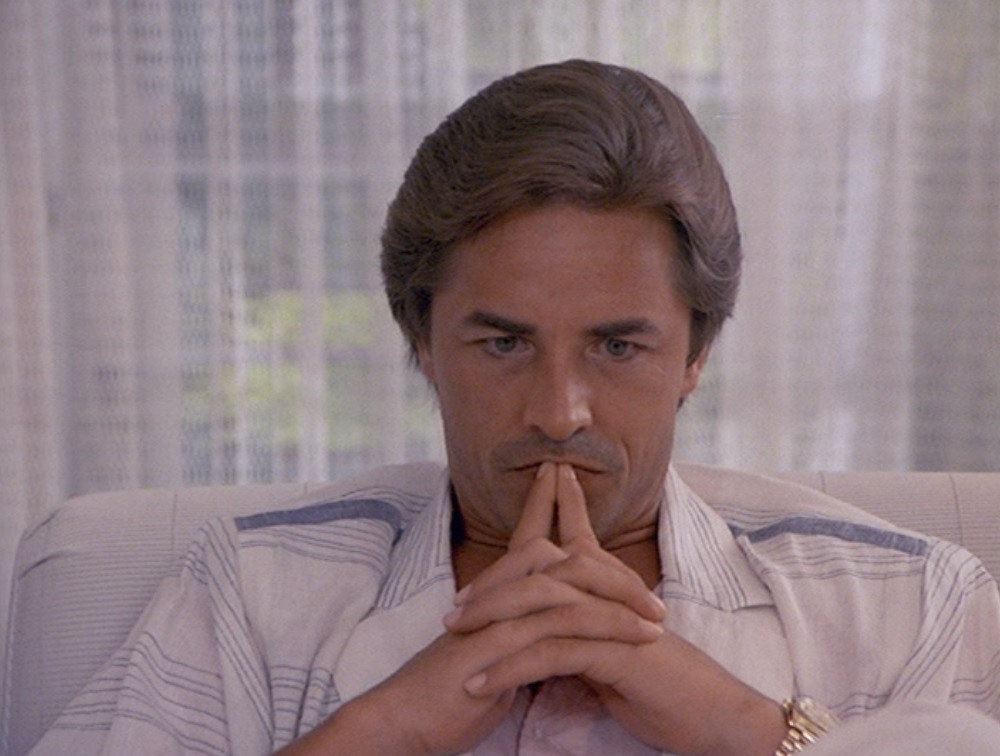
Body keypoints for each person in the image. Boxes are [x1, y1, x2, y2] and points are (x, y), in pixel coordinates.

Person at [31, 59, 1000, 755]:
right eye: (503, 344)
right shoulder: (251, 595)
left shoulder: (909, 605)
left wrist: (750, 731)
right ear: (421, 340)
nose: (559, 411)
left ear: (696, 352)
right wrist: (388, 728)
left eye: (617, 347)